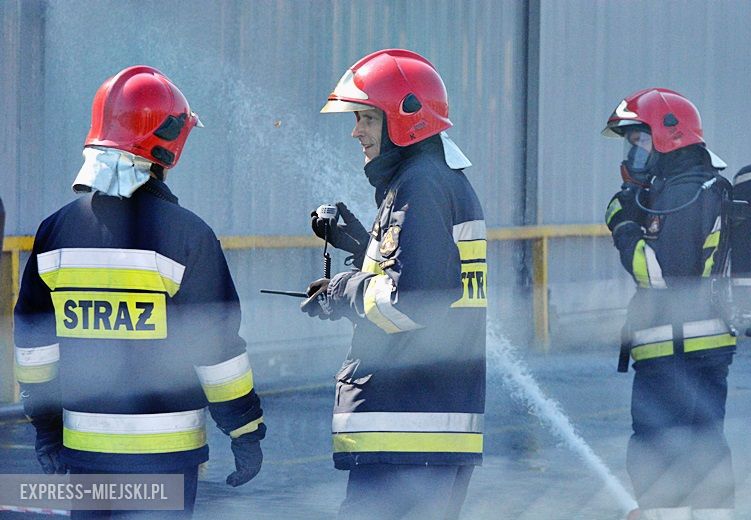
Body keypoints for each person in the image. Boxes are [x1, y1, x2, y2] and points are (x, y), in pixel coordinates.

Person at [13, 66, 265, 518]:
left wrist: (46, 428)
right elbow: (218, 350)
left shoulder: (54, 231)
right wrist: (244, 429)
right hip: (166, 461)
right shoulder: (188, 235)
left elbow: (34, 349)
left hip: (83, 454)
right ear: (168, 145)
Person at [302, 49, 487, 519]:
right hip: (428, 427)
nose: (356, 130)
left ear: (405, 119)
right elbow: (426, 273)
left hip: (407, 432)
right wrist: (362, 243)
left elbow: (414, 302)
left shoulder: (419, 185)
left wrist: (342, 289)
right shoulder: (437, 180)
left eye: (366, 117)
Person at [603, 88, 736, 520]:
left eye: (640, 141)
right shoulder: (696, 187)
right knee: (704, 448)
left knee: (658, 451)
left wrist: (623, 225)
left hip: (673, 349)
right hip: (697, 346)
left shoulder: (683, 192)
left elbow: (661, 275)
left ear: (667, 138)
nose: (635, 153)